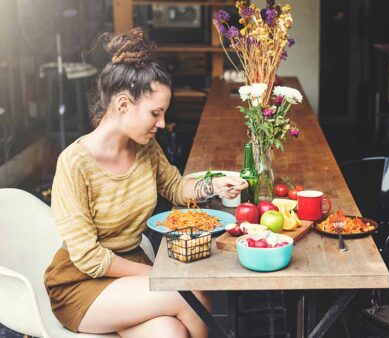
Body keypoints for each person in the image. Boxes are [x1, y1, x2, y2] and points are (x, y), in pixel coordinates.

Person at [44, 28, 247, 338]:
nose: (162, 124)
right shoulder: (74, 163)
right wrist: (162, 275)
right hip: (80, 284)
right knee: (190, 293)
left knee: (170, 332)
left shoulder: (145, 147)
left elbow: (177, 189)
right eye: (156, 113)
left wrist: (214, 186)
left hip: (130, 271)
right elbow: (90, 258)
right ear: (124, 105)